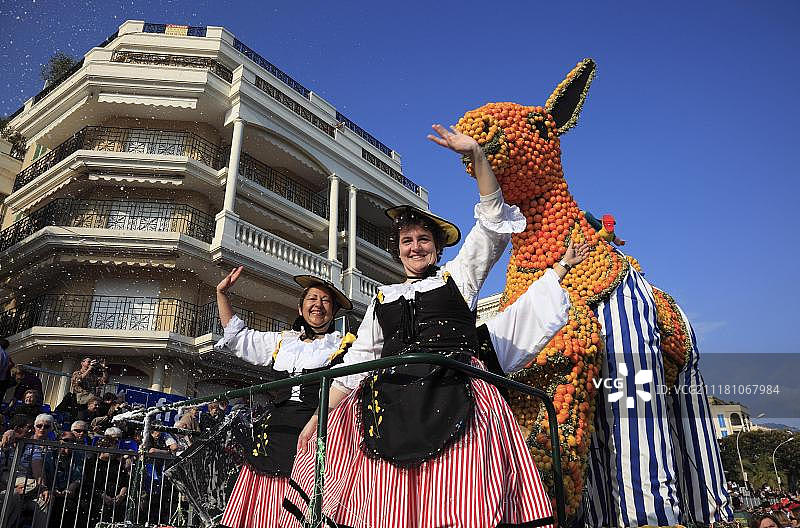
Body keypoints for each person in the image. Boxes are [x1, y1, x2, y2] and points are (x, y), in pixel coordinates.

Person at [282, 124, 589, 528]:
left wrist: (477, 154)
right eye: (407, 241)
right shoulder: (381, 300)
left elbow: (494, 220)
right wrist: (315, 420)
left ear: (437, 246)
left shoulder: (459, 277)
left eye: (423, 239)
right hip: (390, 406)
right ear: (398, 250)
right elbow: (354, 367)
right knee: (388, 505)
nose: (415, 247)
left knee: (462, 503)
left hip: (457, 395)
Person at [213, 270, 355, 528]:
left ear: (333, 312)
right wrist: (222, 294)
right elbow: (240, 338)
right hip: (274, 432)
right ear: (301, 308)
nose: (318, 305)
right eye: (312, 298)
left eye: (325, 301)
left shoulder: (343, 344)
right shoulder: (283, 341)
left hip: (317, 432)